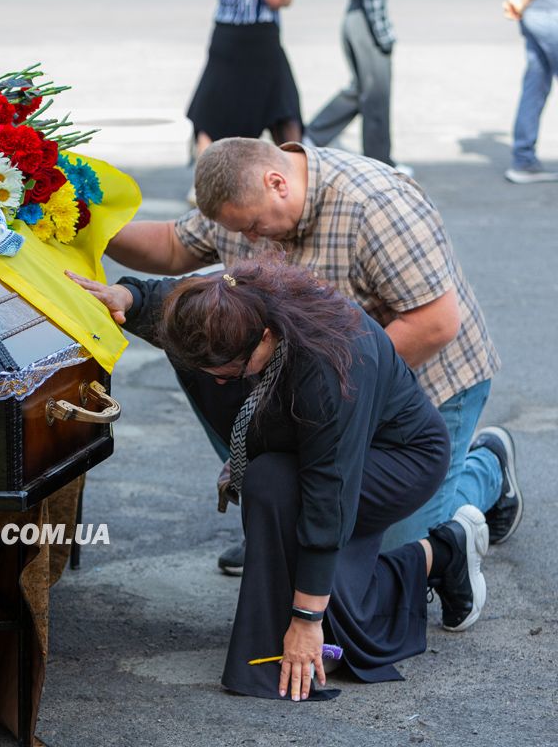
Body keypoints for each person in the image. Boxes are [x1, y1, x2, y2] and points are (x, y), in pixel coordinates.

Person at [69, 259, 490, 702]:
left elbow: (329, 495)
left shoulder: (331, 364)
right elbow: (178, 297)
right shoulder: (237, 298)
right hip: (306, 454)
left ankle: (439, 553)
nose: (219, 382)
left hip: (398, 459)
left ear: (266, 336)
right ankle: (441, 555)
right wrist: (128, 295)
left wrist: (307, 621)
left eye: (229, 371)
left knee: (325, 594)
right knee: (276, 494)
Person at [105, 138, 519, 577]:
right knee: (328, 523)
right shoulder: (243, 202)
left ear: (277, 184)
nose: (246, 240)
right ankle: (279, 527)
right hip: (314, 389)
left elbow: (434, 323)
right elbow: (172, 246)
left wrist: (320, 394)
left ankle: (488, 467)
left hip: (428, 385)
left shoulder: (375, 205)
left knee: (386, 555)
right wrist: (89, 225)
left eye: (252, 226)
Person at [185, 0, 301, 203]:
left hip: (224, 32)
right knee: (285, 108)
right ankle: (298, 180)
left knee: (212, 112)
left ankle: (201, 185)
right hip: (258, 37)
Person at [302, 0, 406, 172]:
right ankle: (381, 165)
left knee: (361, 90)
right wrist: (384, 34)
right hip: (366, 20)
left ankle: (313, 135)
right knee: (376, 96)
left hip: (357, 16)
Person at [503, 0, 558, 183]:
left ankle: (523, 161)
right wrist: (521, 1)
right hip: (552, 15)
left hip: (533, 15)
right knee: (535, 86)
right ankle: (524, 160)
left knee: (534, 87)